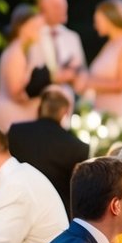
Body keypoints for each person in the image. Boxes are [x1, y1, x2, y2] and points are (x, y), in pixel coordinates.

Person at [8, 86, 89, 215]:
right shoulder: (78, 148)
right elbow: (78, 192)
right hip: (56, 214)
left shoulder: (16, 132)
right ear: (65, 113)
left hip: (15, 206)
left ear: (40, 108)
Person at [76, 0, 122, 118]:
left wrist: (89, 82)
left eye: (98, 21)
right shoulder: (109, 45)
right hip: (101, 112)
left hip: (119, 115)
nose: (95, 26)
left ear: (110, 19)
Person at [0, 3, 51, 132]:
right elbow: (15, 92)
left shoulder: (18, 50)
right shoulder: (16, 53)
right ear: (24, 27)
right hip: (9, 115)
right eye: (36, 28)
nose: (39, 33)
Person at [28, 0, 87, 87]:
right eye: (57, 6)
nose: (63, 9)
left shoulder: (72, 37)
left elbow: (83, 74)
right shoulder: (32, 36)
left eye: (64, 5)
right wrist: (54, 77)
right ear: (43, 8)